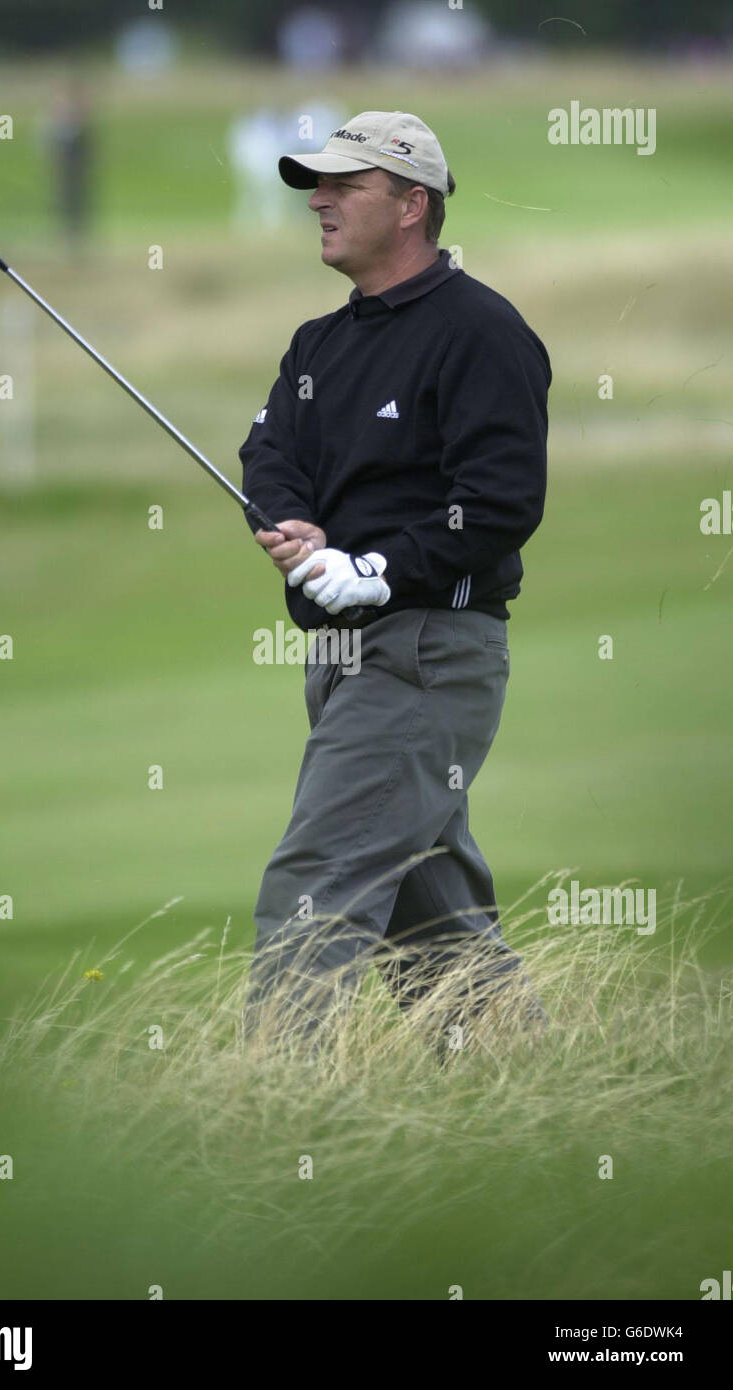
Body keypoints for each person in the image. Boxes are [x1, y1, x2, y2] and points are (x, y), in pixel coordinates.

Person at [239, 111, 551, 1060]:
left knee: (317, 876)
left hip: (426, 652)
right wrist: (301, 529)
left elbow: (499, 502)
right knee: (431, 910)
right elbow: (269, 452)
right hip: (341, 661)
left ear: (413, 205)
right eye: (315, 186)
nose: (319, 201)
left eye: (345, 186)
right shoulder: (318, 344)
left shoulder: (481, 333)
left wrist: (374, 569)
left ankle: (271, 1116)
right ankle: (525, 1080)